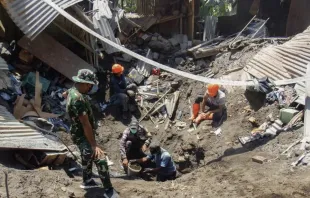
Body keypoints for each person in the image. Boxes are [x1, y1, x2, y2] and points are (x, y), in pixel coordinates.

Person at [65, 69, 114, 195]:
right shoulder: (78, 99)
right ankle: (109, 189)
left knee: (87, 157)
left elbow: (65, 94)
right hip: (81, 134)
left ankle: (87, 180)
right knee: (100, 158)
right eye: (89, 85)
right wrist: (94, 145)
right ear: (83, 83)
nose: (89, 88)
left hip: (78, 131)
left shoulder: (72, 91)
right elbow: (85, 123)